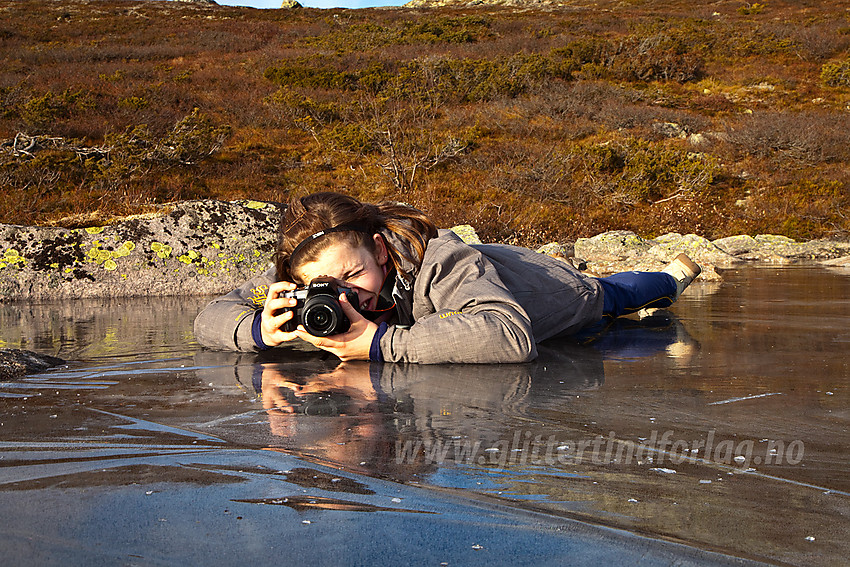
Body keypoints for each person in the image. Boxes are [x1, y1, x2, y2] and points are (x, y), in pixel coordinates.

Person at [193, 192, 701, 364]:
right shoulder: (312, 272)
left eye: (353, 275)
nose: (342, 294)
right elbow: (210, 318)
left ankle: (672, 275)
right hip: (500, 281)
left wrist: (379, 344)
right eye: (325, 286)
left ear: (378, 249)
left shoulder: (438, 260)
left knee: (616, 295)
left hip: (552, 290)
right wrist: (261, 328)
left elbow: (508, 335)